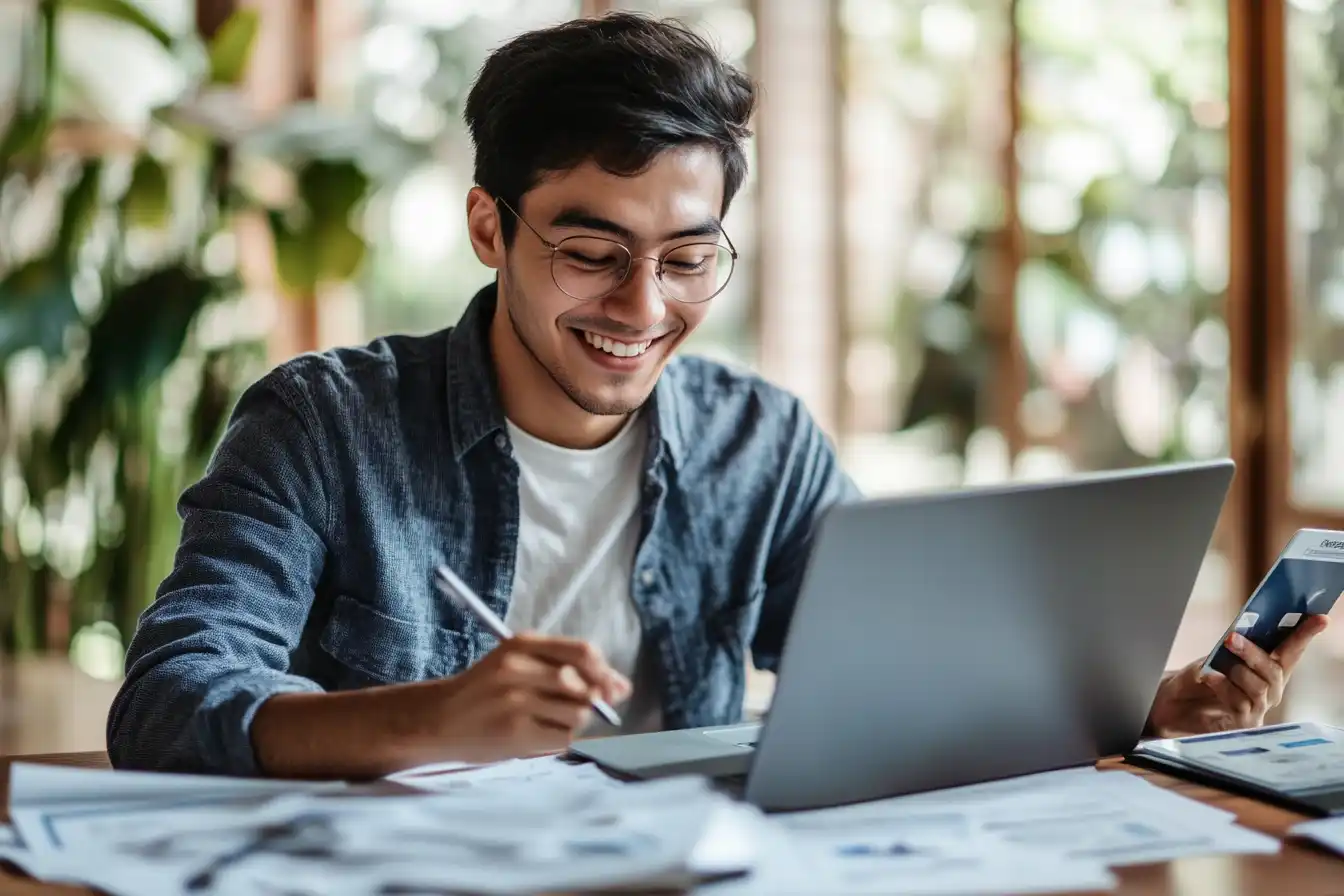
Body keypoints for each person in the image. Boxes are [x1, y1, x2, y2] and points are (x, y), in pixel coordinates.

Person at [106, 12, 1328, 779]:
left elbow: (912, 681)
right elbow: (171, 695)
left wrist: (1137, 705)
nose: (641, 307)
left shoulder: (763, 442)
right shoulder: (324, 423)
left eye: (688, 258)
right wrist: (431, 719)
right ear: (490, 224)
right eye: (591, 250)